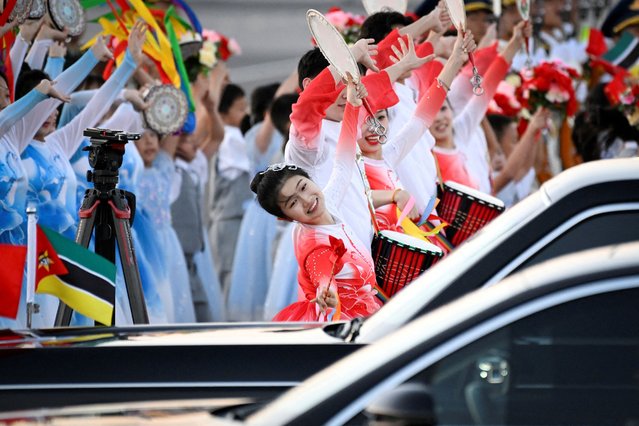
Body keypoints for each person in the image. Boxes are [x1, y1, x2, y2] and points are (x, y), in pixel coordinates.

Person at [251, 76, 381, 322]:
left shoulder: (327, 204)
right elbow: (322, 273)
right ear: (285, 217)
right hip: (345, 329)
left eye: (303, 187)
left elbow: (343, 162)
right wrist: (325, 291)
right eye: (292, 203)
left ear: (311, 179)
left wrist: (353, 105)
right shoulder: (315, 243)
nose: (306, 199)